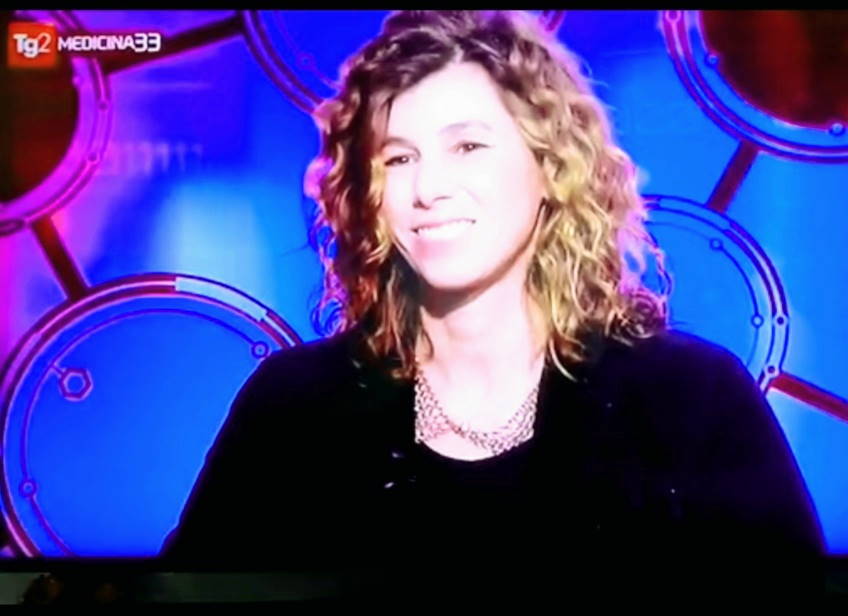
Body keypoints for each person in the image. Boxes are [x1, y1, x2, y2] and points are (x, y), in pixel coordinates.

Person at [160, 10, 825, 601]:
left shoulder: (689, 399)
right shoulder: (294, 408)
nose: (429, 188)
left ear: (550, 168)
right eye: (398, 158)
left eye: (467, 147)